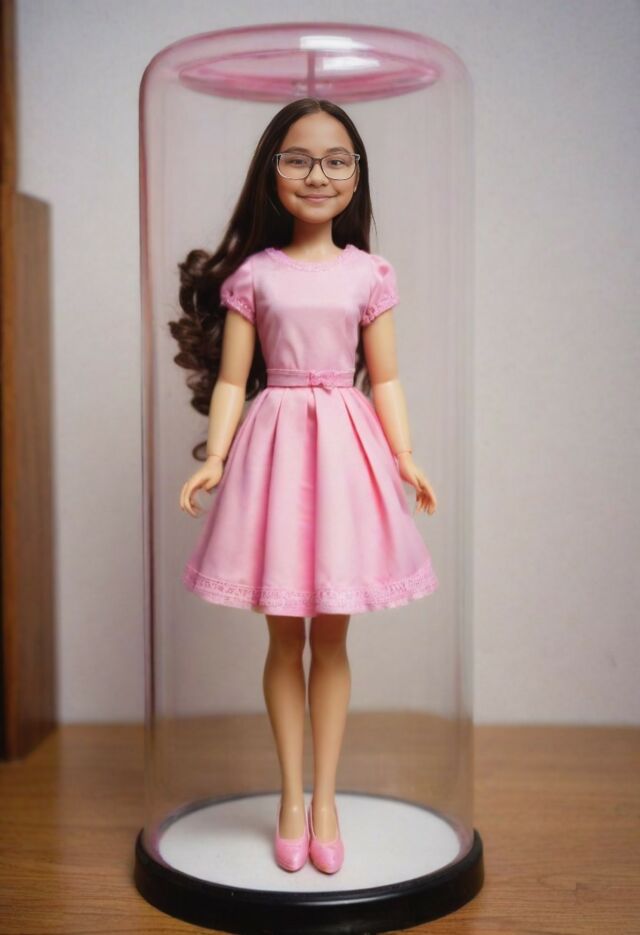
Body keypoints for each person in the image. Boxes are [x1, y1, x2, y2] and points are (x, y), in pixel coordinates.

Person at [169, 97, 439, 874]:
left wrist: (405, 452)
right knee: (284, 635)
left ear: (356, 175)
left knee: (334, 637)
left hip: (345, 449)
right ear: (272, 171)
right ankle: (292, 795)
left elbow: (385, 376)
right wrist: (216, 455)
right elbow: (232, 380)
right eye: (298, 158)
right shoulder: (256, 275)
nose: (317, 174)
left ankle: (326, 799)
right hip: (279, 447)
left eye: (335, 160)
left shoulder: (368, 274)